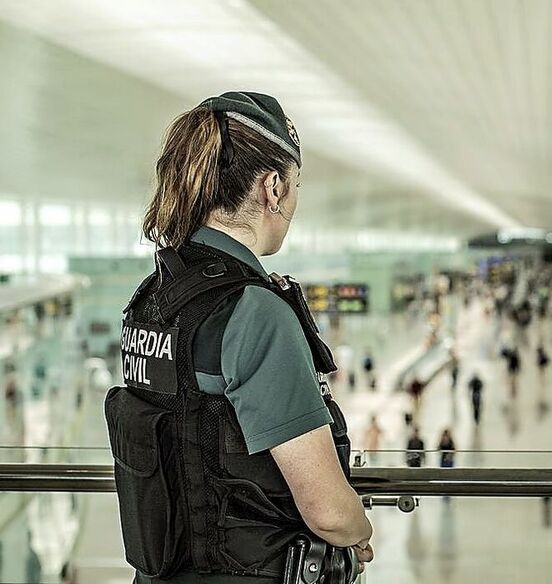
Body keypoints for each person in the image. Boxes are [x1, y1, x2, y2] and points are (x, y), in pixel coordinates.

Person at [104, 92, 374, 583]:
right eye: (294, 185)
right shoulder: (254, 312)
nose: (292, 201)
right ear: (272, 187)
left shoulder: (151, 300)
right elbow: (327, 510)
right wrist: (358, 528)